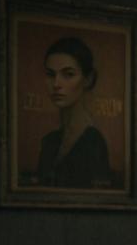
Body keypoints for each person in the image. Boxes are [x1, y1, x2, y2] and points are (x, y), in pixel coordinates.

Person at [37, 36, 111, 189]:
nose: (56, 84)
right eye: (51, 75)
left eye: (68, 74)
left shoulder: (93, 142)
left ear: (88, 79)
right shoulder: (49, 141)